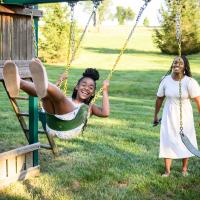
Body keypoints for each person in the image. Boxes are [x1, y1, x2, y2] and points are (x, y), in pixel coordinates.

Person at [3, 58, 110, 139]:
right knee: (45, 96)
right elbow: (48, 93)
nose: (86, 88)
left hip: (69, 126)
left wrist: (105, 90)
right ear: (76, 87)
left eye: (91, 88)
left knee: (58, 98)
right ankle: (18, 82)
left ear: (93, 93)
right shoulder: (67, 99)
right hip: (52, 120)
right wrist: (59, 81)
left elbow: (105, 113)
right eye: (84, 85)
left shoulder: (90, 107)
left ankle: (41, 83)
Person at [153, 55, 200, 177]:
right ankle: (167, 171)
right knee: (167, 139)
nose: (176, 65)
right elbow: (159, 99)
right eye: (175, 63)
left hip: (185, 115)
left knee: (185, 139)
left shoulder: (190, 82)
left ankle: (184, 169)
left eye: (180, 63)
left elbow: (198, 101)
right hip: (169, 114)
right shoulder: (165, 80)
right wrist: (155, 115)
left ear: (185, 67)